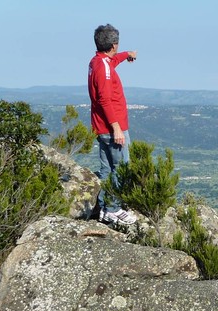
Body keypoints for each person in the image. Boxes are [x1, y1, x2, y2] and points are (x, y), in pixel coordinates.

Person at [88, 24, 137, 225]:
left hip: (102, 126)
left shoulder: (97, 62)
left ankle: (104, 207)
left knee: (107, 169)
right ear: (113, 45)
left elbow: (112, 62)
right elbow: (105, 100)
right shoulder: (104, 68)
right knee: (121, 168)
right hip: (112, 128)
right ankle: (113, 209)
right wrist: (117, 128)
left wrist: (127, 55)